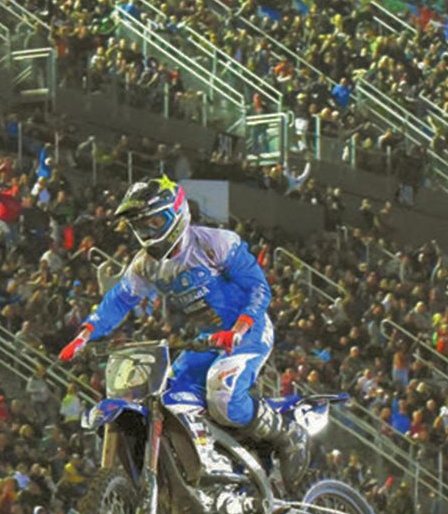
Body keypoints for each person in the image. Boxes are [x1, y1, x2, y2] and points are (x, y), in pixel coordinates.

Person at [58, 176, 306, 489]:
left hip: (249, 330)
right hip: (205, 341)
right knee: (170, 398)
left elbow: (257, 286)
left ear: (177, 213)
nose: (148, 232)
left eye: (154, 222)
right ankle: (216, 464)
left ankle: (285, 432)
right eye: (141, 226)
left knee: (223, 392)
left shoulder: (214, 243)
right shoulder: (145, 264)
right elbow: (119, 299)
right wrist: (85, 334)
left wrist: (240, 328)